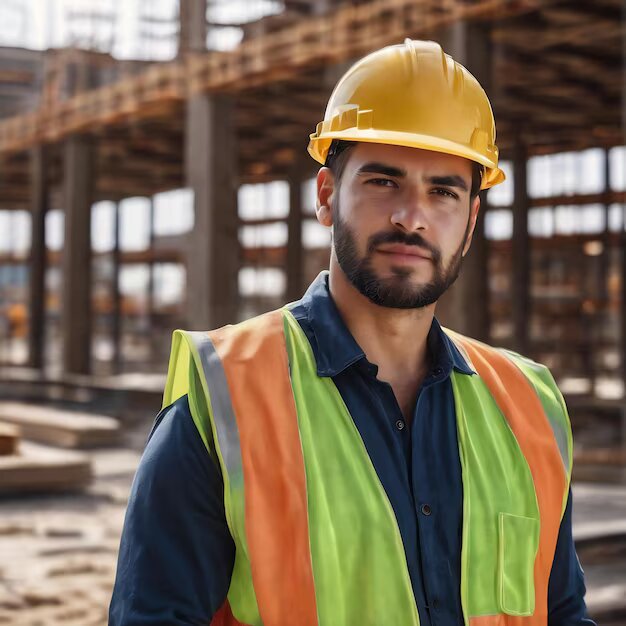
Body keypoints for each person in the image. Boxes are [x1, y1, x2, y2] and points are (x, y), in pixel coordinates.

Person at [109, 39, 595, 626]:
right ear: (326, 195)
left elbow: (564, 611)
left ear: (469, 221)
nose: (410, 216)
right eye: (383, 182)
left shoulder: (530, 406)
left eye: (443, 191)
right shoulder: (223, 402)